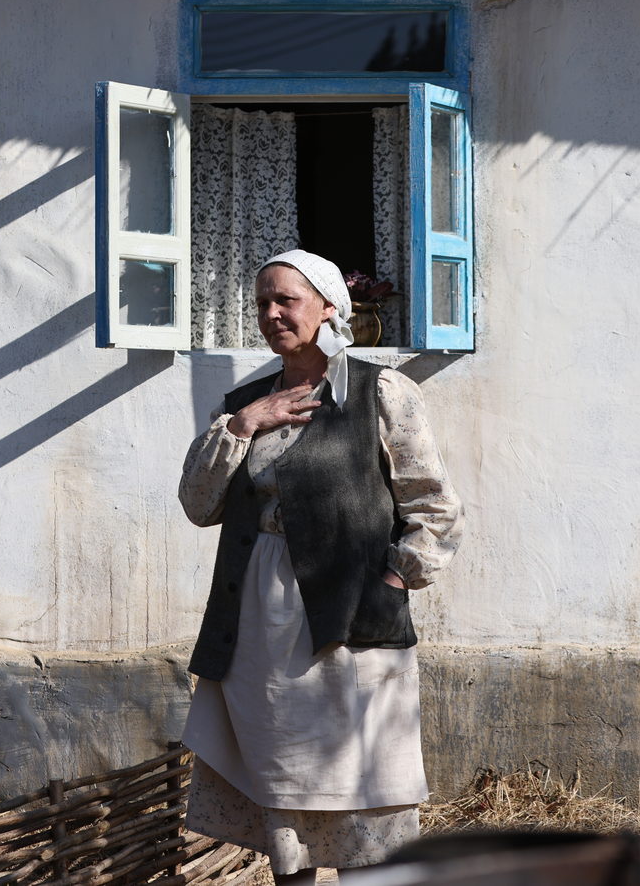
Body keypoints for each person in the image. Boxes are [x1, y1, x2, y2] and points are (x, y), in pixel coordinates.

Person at [177, 249, 462, 884]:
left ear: (329, 307)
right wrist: (244, 425)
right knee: (285, 784)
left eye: (288, 300)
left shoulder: (379, 390)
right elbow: (199, 505)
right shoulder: (245, 403)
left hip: (350, 615)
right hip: (259, 620)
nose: (272, 313)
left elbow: (436, 508)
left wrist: (392, 583)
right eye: (262, 303)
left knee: (363, 781)